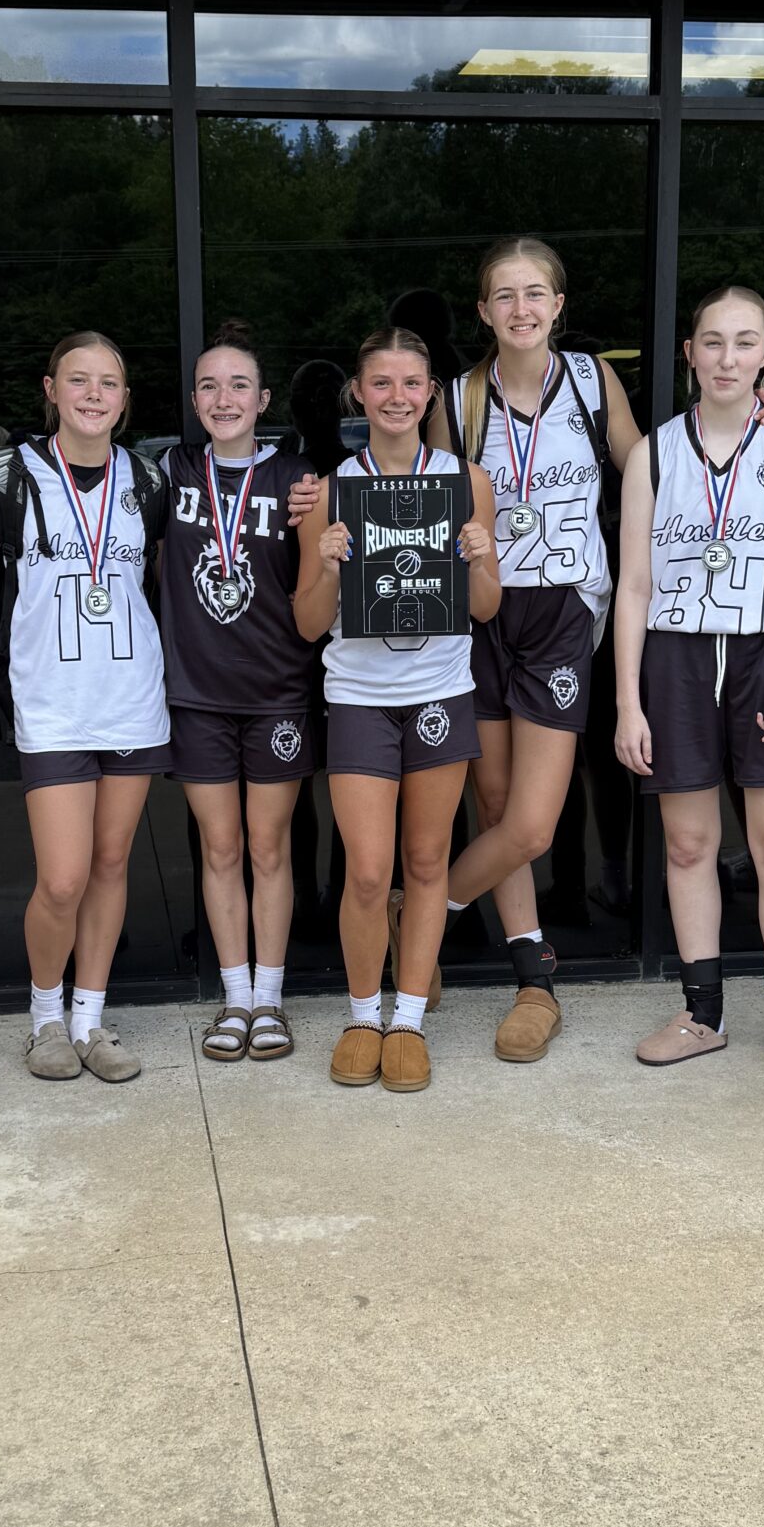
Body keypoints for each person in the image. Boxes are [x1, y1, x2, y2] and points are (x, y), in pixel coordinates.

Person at [614, 285, 764, 1083]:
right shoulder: (653, 453)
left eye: (745, 343)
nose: (727, 358)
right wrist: (628, 701)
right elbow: (633, 586)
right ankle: (701, 1014)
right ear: (689, 352)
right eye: (712, 341)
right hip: (677, 658)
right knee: (688, 845)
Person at [428, 237, 641, 1063]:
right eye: (505, 296)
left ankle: (421, 918)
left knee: (531, 826)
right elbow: (425, 501)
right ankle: (534, 983)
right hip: (482, 610)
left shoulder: (590, 381)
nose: (522, 308)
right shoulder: (458, 399)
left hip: (560, 614)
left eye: (536, 293)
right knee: (494, 807)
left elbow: (648, 470)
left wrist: (753, 433)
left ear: (558, 305)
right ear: (484, 311)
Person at [293, 325, 499, 1093]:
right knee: (369, 871)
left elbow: (486, 606)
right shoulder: (330, 490)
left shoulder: (466, 481)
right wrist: (325, 565)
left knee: (426, 861)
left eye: (412, 383)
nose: (397, 397)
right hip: (359, 697)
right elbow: (308, 623)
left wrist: (479, 559)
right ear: (358, 392)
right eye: (381, 383)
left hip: (439, 692)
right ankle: (361, 1014)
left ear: (431, 393)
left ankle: (408, 1018)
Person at [0, 334, 168, 1086]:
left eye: (109, 382)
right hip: (51, 700)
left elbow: (162, 579)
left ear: (125, 400)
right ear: (51, 389)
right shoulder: (7, 475)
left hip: (130, 696)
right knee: (62, 878)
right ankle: (45, 1019)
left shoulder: (148, 480)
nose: (94, 394)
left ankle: (90, 1017)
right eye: (79, 380)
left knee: (112, 863)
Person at [162, 332, 320, 1063]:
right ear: (195, 400)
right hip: (197, 694)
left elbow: (323, 576)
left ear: (262, 401)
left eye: (238, 386)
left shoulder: (299, 479)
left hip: (277, 691)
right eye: (208, 386)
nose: (223, 399)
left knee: (267, 846)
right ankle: (234, 996)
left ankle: (270, 997)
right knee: (220, 847)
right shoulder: (170, 473)